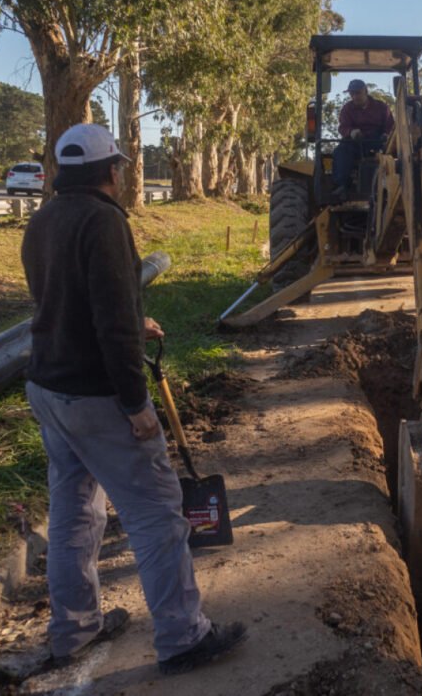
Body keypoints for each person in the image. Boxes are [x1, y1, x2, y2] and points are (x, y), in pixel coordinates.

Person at [21, 123, 247, 675]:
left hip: (48, 389)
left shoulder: (43, 220)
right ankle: (183, 638)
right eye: (119, 168)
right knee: (157, 514)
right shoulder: (104, 222)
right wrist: (135, 404)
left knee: (73, 510)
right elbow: (111, 326)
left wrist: (130, 320)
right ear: (112, 171)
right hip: (97, 395)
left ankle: (73, 630)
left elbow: (62, 300)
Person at [331, 78, 394, 200]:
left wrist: (386, 135)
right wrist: (351, 132)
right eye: (352, 94)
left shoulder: (381, 107)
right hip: (356, 142)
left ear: (366, 91)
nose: (355, 97)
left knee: (395, 150)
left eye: (358, 93)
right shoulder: (347, 109)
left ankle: (393, 183)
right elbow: (343, 127)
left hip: (378, 141)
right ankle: (342, 185)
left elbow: (390, 126)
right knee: (341, 151)